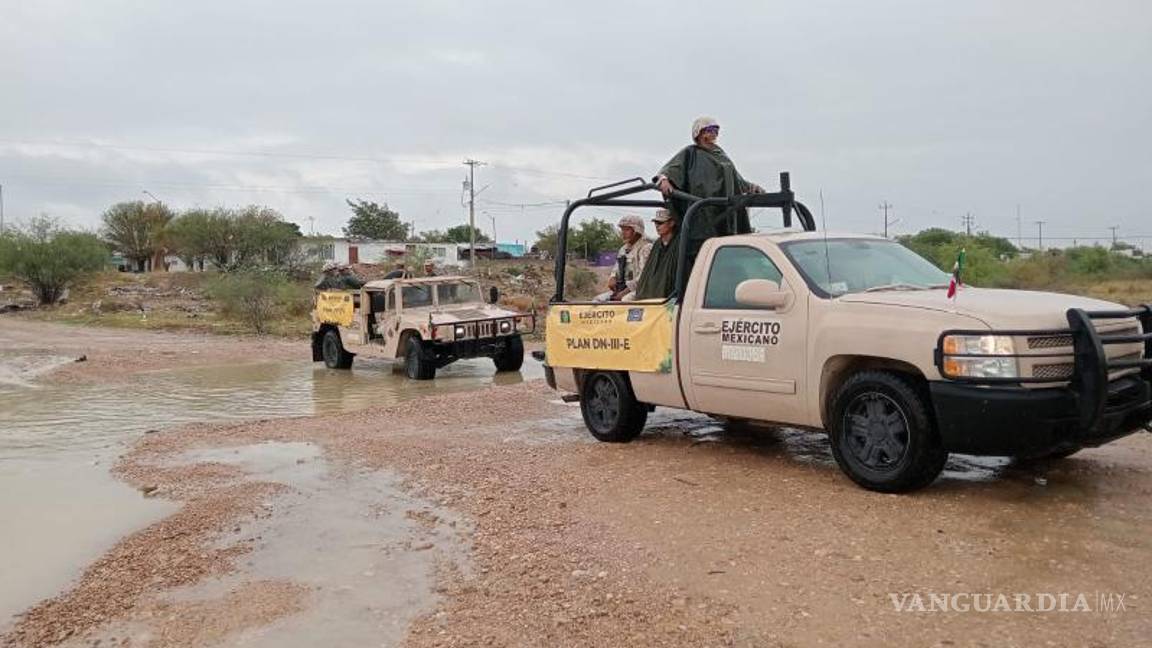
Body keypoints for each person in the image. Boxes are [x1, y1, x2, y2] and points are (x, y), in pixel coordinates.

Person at [655, 116, 763, 266]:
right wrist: (664, 179)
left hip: (725, 208)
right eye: (710, 130)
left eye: (716, 130)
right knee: (704, 251)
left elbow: (735, 179)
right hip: (703, 210)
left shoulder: (721, 155)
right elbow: (670, 169)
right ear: (699, 133)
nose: (714, 134)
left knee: (727, 247)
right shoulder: (691, 153)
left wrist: (751, 187)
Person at [594, 214, 652, 302]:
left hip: (640, 290)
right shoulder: (623, 249)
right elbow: (616, 268)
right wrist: (613, 277)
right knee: (598, 301)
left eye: (627, 230)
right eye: (622, 229)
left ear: (637, 231)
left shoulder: (645, 248)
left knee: (624, 301)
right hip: (623, 289)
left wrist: (624, 292)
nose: (623, 233)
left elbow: (644, 277)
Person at [632, 210, 679, 301]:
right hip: (653, 294)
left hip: (671, 297)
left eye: (660, 223)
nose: (657, 226)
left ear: (671, 223)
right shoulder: (657, 244)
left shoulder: (679, 243)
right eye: (655, 223)